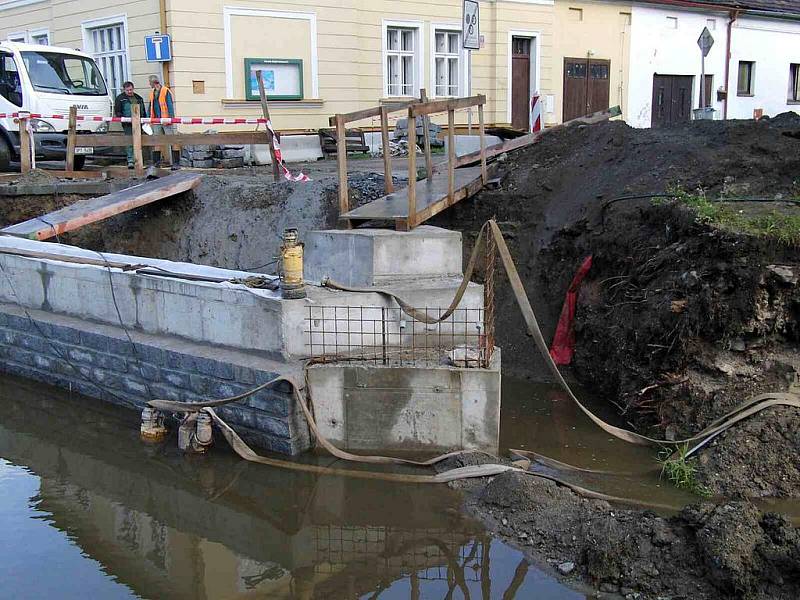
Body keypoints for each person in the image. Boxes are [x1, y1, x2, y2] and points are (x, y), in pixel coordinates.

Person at [147, 74, 180, 168]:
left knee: (172, 140)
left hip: (166, 120)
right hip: (156, 120)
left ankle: (176, 163)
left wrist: (171, 118)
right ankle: (156, 163)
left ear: (153, 83)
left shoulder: (165, 91)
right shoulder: (152, 92)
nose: (149, 85)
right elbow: (151, 105)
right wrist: (149, 118)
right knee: (157, 141)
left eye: (150, 83)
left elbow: (169, 105)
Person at [113, 81, 145, 169]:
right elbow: (118, 111)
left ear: (133, 89)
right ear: (124, 90)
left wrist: (144, 120)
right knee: (129, 142)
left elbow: (143, 110)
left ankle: (139, 159)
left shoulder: (138, 98)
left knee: (139, 141)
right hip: (127, 124)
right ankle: (130, 160)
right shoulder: (120, 99)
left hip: (139, 123)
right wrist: (123, 120)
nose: (130, 92)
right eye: (128, 90)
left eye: (131, 90)